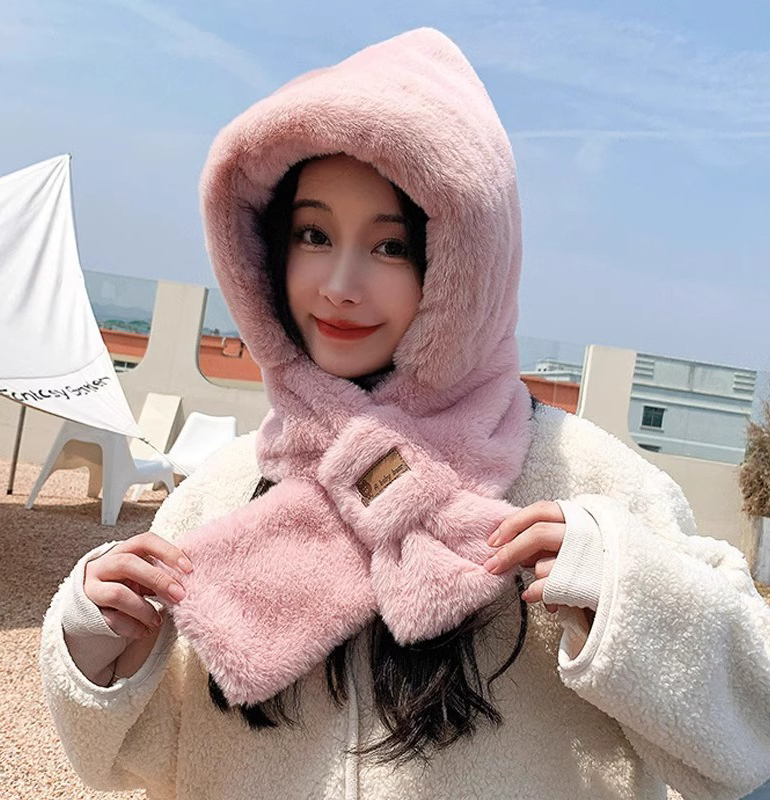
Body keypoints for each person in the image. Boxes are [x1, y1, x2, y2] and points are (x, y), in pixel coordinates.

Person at [39, 27, 770, 800]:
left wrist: (625, 589)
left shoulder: (588, 481)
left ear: (465, 264)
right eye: (313, 235)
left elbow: (750, 737)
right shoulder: (222, 492)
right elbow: (149, 760)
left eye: (390, 247)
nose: (339, 285)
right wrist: (90, 646)